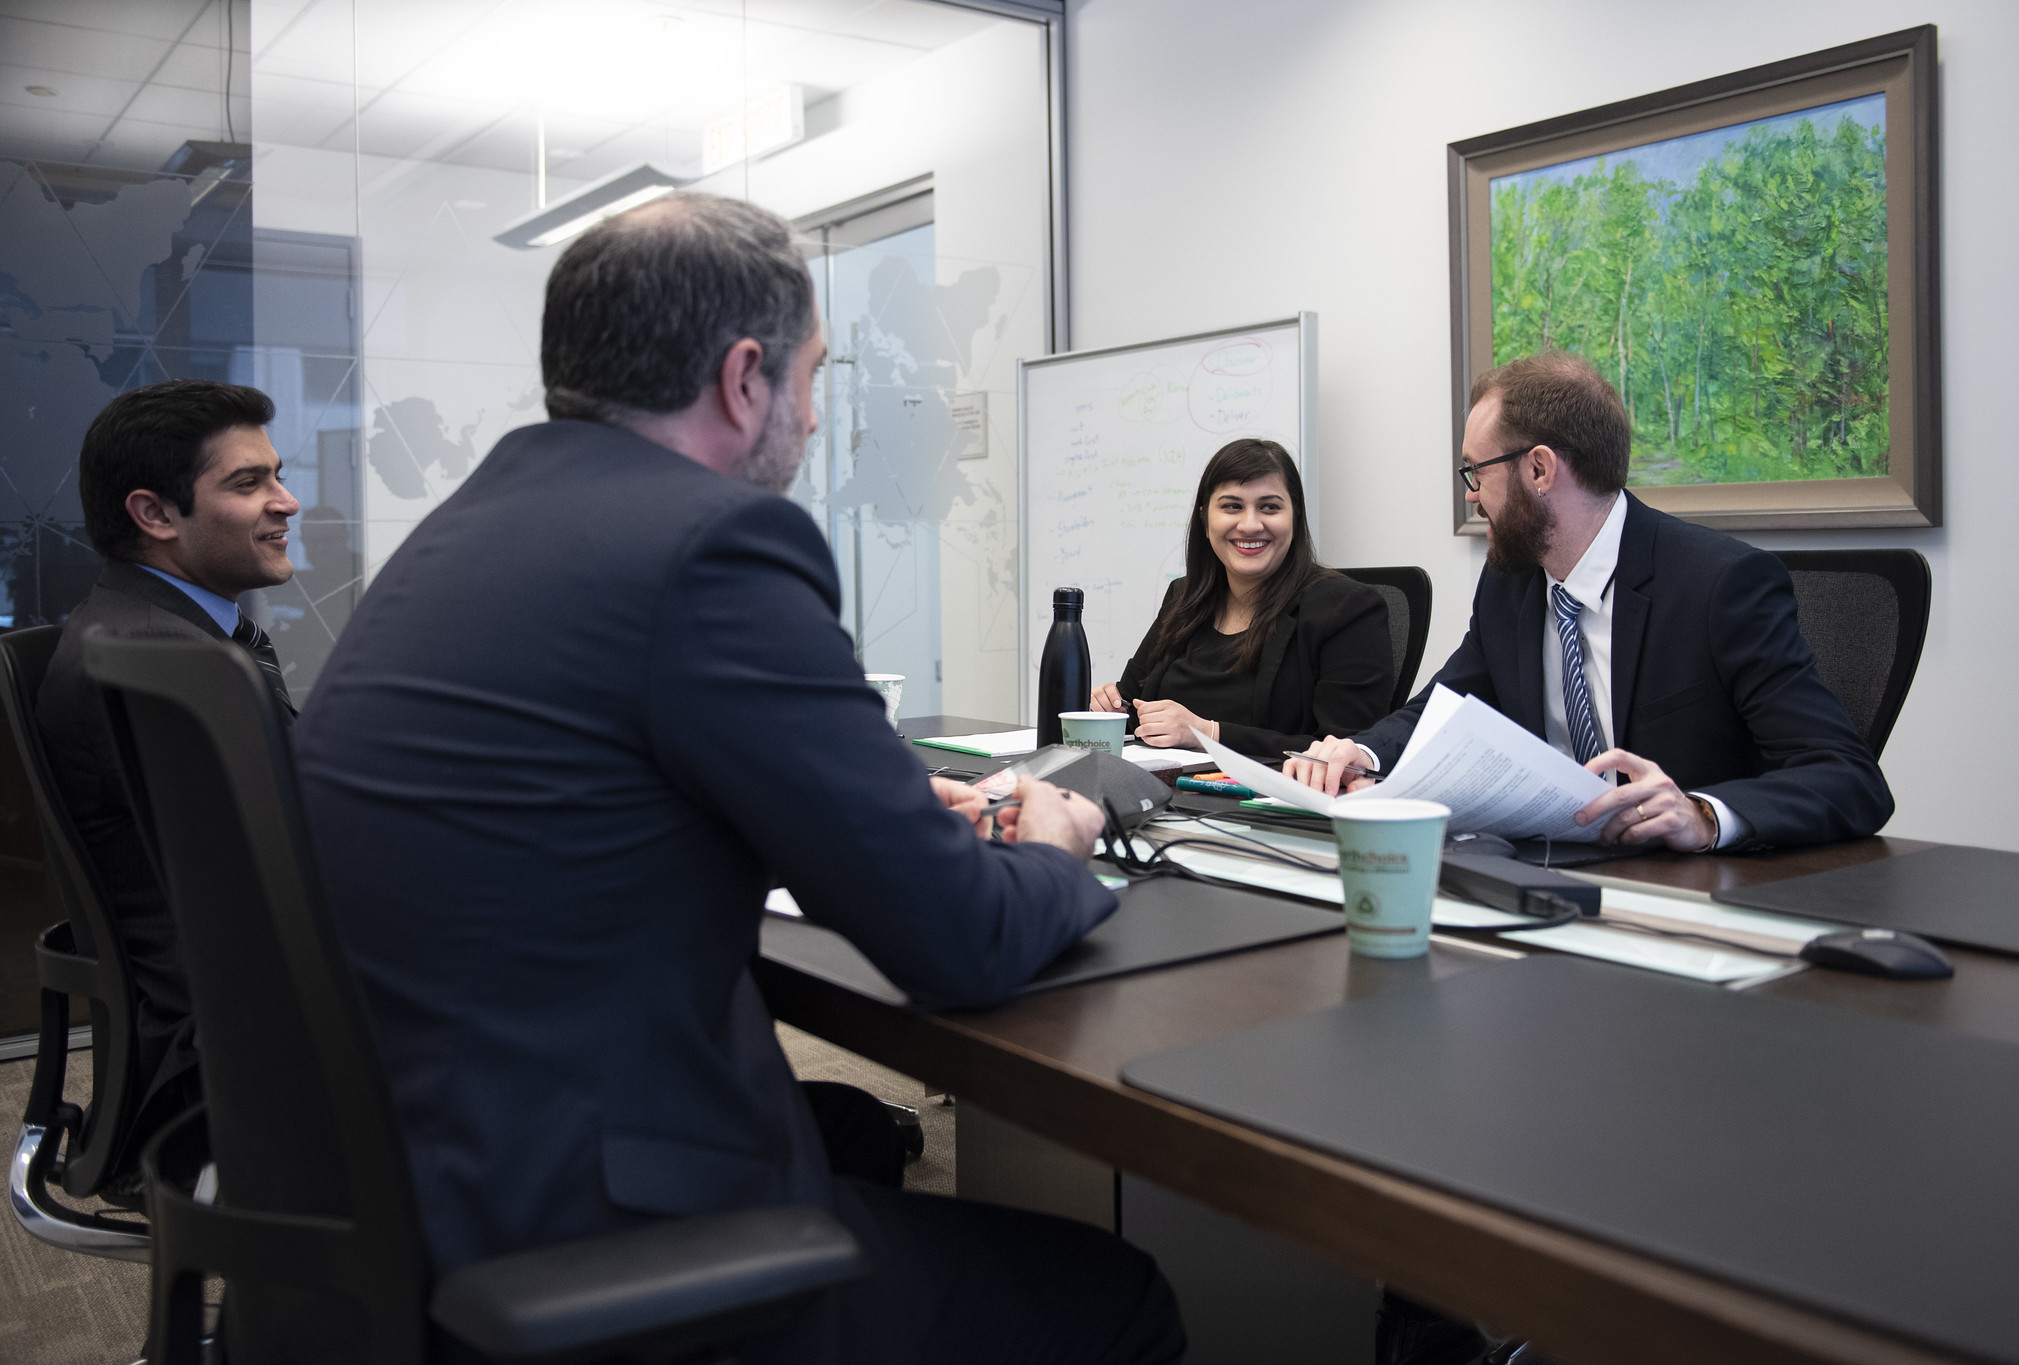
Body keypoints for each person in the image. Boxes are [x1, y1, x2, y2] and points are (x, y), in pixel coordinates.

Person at [293, 193, 1184, 1365]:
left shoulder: (465, 530)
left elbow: (575, 805)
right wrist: (1060, 842)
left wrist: (858, 816)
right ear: (745, 377)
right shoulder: (711, 543)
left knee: (864, 1152)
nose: (814, 420)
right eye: (814, 377)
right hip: (576, 1232)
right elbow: (958, 944)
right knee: (1117, 1299)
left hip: (407, 1184)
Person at [1286, 349, 1892, 851]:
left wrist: (1703, 816)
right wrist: (1358, 750)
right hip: (1547, 873)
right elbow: (1446, 709)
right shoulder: (1513, 582)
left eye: (1476, 473)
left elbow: (1848, 778)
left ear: (1540, 470)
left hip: (1688, 901)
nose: (1472, 497)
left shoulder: (1720, 585)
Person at [37, 379, 301, 1181]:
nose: (286, 502)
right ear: (154, 514)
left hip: (228, 1009)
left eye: (276, 474)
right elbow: (286, 878)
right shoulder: (165, 669)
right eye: (248, 483)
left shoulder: (147, 627)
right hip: (230, 1060)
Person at [1090, 438, 1395, 761]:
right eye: (1232, 506)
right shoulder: (1184, 597)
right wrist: (1112, 706)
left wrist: (1208, 733)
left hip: (1267, 803)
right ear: (1206, 520)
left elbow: (1349, 752)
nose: (1250, 524)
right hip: (1167, 794)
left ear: (1295, 518)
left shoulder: (1347, 609)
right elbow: (1133, 704)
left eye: (1270, 507)